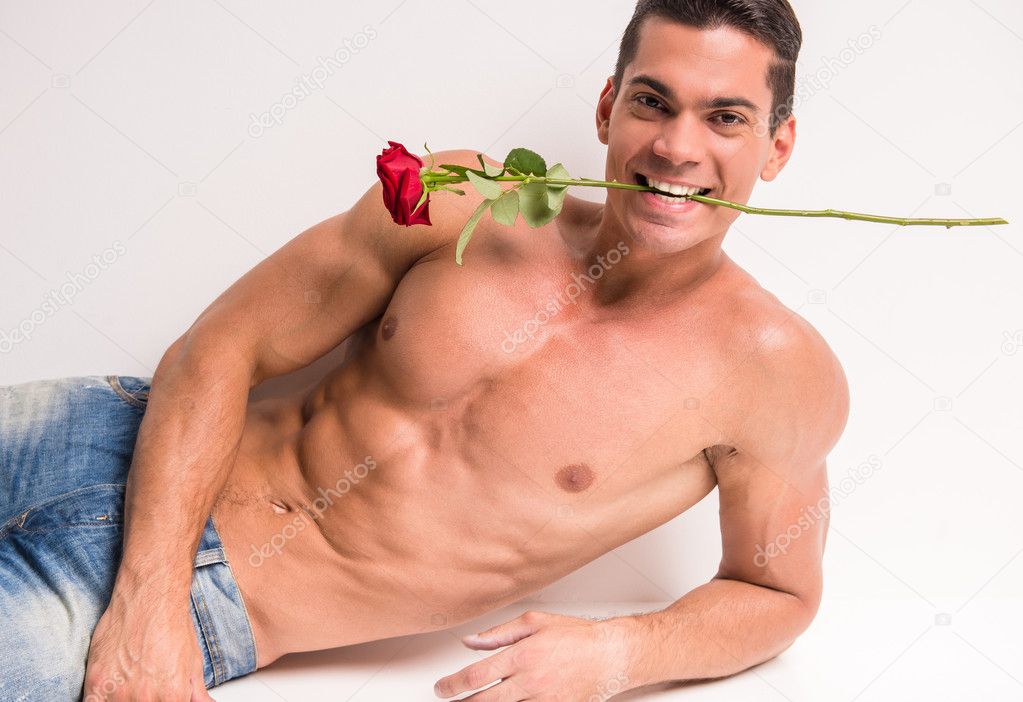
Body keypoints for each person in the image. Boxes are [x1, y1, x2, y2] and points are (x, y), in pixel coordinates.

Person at [1, 0, 849, 699]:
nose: (674, 146)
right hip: (108, 432)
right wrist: (147, 593)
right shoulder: (464, 199)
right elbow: (227, 342)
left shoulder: (773, 372)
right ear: (606, 105)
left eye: (726, 118)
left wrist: (618, 654)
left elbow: (777, 593)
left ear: (776, 147)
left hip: (217, 598)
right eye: (651, 101)